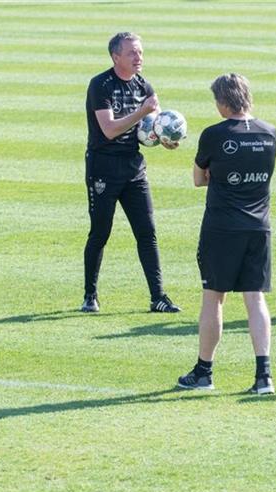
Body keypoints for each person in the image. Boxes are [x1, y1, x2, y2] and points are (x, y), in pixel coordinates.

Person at [176, 73, 276, 394]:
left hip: (221, 228)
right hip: (258, 227)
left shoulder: (214, 135)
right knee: (255, 298)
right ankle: (264, 376)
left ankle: (204, 372)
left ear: (222, 102)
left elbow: (198, 179)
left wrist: (219, 176)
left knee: (213, 298)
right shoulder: (269, 133)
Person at [81, 32, 181, 314]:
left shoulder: (144, 86)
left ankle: (158, 297)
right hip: (103, 168)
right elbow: (110, 130)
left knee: (147, 232)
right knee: (100, 232)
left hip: (134, 169)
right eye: (132, 53)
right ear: (116, 57)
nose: (139, 58)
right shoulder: (100, 85)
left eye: (140, 52)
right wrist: (142, 111)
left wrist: (165, 138)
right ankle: (90, 294)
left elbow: (152, 126)